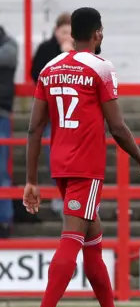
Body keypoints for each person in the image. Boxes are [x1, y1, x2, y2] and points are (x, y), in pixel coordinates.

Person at [23, 7, 140, 307]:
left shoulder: (49, 68)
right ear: (97, 34)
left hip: (60, 166)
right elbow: (117, 126)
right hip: (86, 167)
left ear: (71, 35)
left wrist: (30, 181)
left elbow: (35, 126)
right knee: (73, 238)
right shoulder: (101, 68)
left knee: (92, 242)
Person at [31, 12, 74, 219]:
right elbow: (37, 74)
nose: (67, 36)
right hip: (52, 114)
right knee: (55, 157)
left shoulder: (82, 52)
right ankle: (59, 196)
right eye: (64, 31)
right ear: (56, 31)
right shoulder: (46, 50)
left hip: (76, 115)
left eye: (70, 32)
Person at [0, 26, 18, 238]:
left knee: (2, 172)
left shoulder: (9, 46)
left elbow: (9, 56)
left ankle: (4, 220)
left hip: (1, 114)